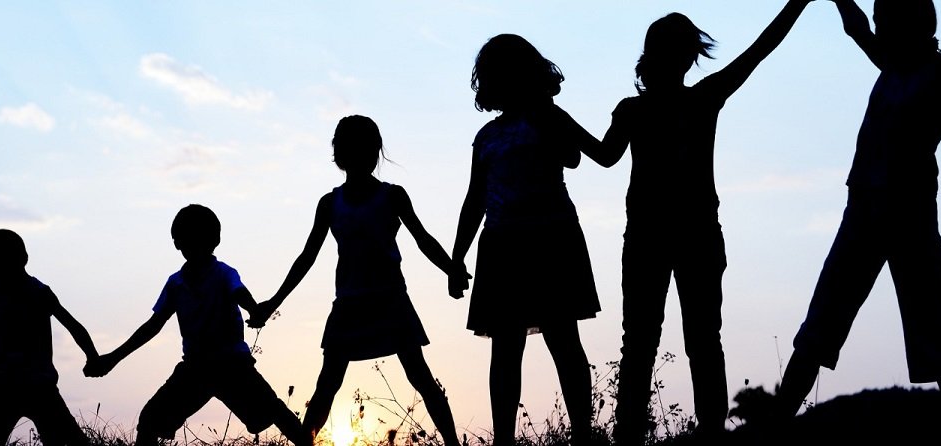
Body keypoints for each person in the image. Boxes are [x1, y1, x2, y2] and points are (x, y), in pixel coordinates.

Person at [582, 2, 814, 443]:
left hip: (663, 237)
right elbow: (759, 50)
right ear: (688, 57)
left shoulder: (641, 109)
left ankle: (640, 436)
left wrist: (557, 121)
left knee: (649, 343)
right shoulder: (696, 100)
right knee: (698, 342)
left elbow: (602, 156)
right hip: (685, 236)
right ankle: (703, 434)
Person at [776, 0, 941, 417]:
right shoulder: (890, 64)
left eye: (884, 22)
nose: (878, 30)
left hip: (909, 220)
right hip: (863, 214)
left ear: (907, 27)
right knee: (819, 327)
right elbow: (856, 28)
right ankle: (775, 422)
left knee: (936, 340)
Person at [253, 115, 465, 445]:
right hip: (350, 304)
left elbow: (423, 238)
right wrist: (272, 303)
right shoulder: (330, 204)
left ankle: (453, 443)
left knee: (419, 376)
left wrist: (451, 268)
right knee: (328, 384)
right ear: (340, 154)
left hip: (390, 300)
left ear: (373, 151)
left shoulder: (392, 196)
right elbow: (307, 257)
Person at [449, 34, 601, 446]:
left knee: (563, 339)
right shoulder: (487, 136)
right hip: (503, 245)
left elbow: (574, 156)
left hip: (551, 239)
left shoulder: (548, 117)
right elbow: (474, 199)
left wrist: (548, 118)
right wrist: (456, 258)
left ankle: (583, 436)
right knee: (506, 347)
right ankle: (504, 441)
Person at [84, 205, 311, 446]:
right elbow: (152, 326)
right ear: (177, 243)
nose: (193, 246)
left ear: (214, 241)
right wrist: (114, 358)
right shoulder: (176, 284)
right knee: (150, 419)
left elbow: (240, 293)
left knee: (274, 410)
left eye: (198, 239)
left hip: (232, 366)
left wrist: (254, 310)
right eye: (187, 239)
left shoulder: (223, 273)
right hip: (196, 369)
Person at [0, 229, 98, 446]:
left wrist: (92, 356)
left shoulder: (39, 293)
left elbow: (72, 325)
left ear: (17, 262)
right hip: (6, 386)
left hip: (34, 387)